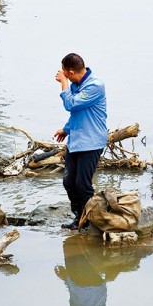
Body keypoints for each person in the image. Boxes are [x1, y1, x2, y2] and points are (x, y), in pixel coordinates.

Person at [53, 53, 107, 230]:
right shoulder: (77, 84)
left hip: (91, 142)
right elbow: (77, 113)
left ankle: (90, 221)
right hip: (77, 141)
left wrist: (63, 84)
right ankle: (79, 218)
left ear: (69, 71)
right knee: (69, 182)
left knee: (82, 185)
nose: (62, 75)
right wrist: (66, 129)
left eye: (64, 72)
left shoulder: (95, 85)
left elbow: (71, 105)